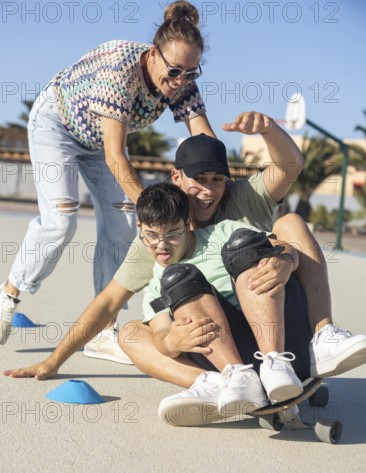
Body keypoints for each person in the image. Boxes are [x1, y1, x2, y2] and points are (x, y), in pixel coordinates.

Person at [3, 117, 307, 376]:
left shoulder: (240, 202)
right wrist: (55, 360)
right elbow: (108, 302)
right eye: (198, 179)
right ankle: (218, 382)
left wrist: (288, 256)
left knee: (288, 224)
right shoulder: (157, 241)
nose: (207, 189)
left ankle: (322, 336)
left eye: (217, 179)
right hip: (220, 339)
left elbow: (290, 166)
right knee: (136, 329)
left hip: (277, 319)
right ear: (176, 178)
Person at [0, 0, 215, 345]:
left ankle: (104, 330)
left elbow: (204, 140)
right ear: (153, 54)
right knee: (61, 220)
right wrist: (154, 213)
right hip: (59, 126)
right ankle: (8, 294)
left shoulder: (182, 79)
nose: (180, 82)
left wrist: (217, 185)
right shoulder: (120, 67)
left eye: (191, 73)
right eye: (175, 71)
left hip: (101, 143)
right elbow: (116, 155)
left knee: (122, 226)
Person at [132, 183, 366, 426]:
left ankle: (305, 345)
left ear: (187, 222)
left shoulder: (221, 232)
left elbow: (276, 245)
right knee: (177, 280)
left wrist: (286, 258)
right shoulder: (154, 287)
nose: (161, 245)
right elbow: (160, 333)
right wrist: (172, 341)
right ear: (140, 227)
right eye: (151, 236)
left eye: (172, 234)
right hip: (236, 363)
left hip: (285, 339)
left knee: (255, 240)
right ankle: (234, 380)